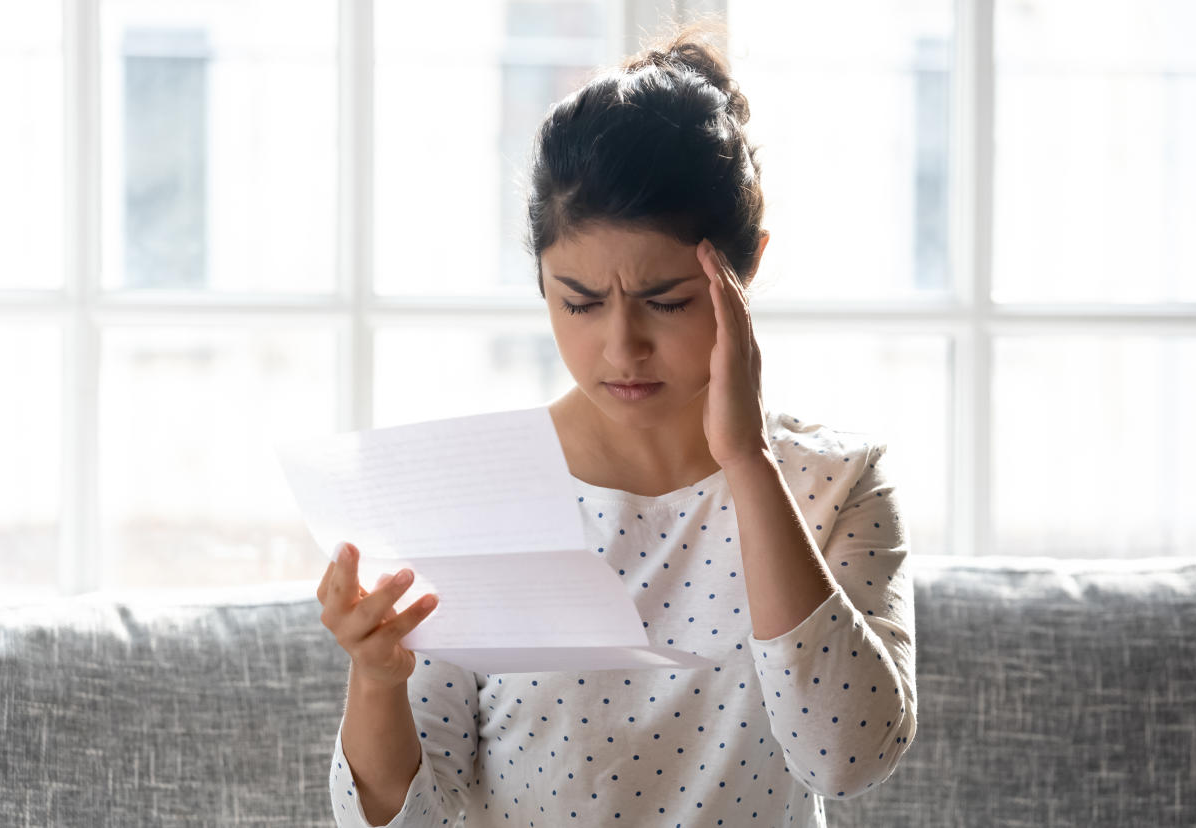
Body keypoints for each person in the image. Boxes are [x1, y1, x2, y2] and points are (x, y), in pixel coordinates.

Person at [318, 20, 917, 827]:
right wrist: (379, 678)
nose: (620, 347)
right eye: (579, 301)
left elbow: (846, 760)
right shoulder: (474, 495)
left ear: (748, 269)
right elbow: (406, 817)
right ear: (538, 277)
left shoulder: (837, 486)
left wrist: (746, 462)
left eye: (667, 301)